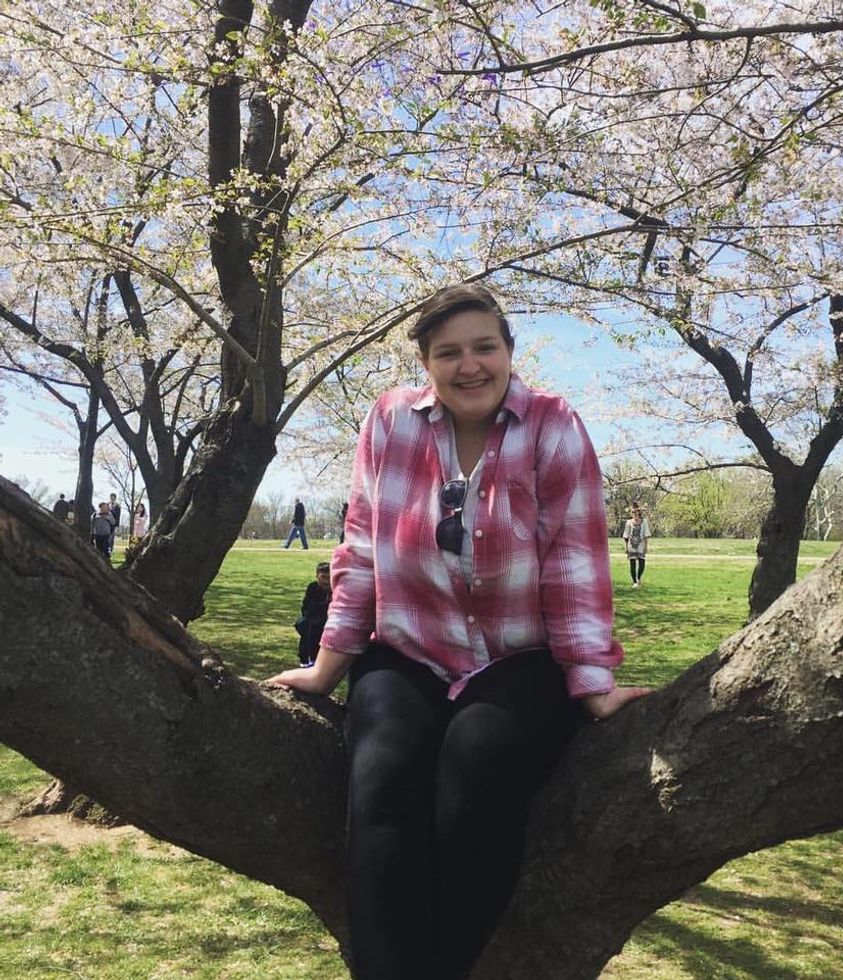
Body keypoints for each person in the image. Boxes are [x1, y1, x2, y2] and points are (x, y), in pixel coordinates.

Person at [269, 284, 650, 980]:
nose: (469, 366)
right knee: (382, 777)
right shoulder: (390, 422)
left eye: (484, 348)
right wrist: (328, 666)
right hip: (408, 648)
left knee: (476, 768)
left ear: (509, 352)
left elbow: (574, 559)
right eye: (448, 353)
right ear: (426, 363)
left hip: (519, 659)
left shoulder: (553, 425)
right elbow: (361, 548)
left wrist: (593, 684)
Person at [295, 561, 332, 667]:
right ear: (317, 576)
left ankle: (318, 657)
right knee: (307, 627)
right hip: (312, 617)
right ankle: (306, 658)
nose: (325, 581)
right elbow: (309, 606)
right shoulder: (313, 587)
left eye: (328, 577)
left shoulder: (334, 588)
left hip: (328, 618)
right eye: (323, 577)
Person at [623, 503, 652, 588]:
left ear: (639, 512)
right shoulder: (628, 523)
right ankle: (634, 582)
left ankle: (638, 578)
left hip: (641, 545)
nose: (635, 514)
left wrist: (646, 546)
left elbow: (646, 534)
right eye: (633, 512)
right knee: (632, 564)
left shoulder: (644, 522)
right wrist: (626, 547)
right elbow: (626, 535)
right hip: (631, 545)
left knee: (642, 563)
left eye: (636, 512)